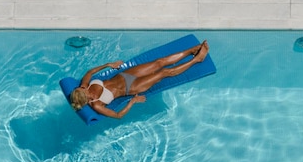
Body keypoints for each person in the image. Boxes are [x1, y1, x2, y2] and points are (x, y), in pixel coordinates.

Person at [70, 40, 209, 119]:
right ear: (87, 99)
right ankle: (197, 59)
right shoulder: (97, 105)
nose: (83, 87)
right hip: (132, 87)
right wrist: (133, 101)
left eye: (82, 87)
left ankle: (192, 50)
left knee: (159, 62)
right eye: (83, 90)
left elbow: (90, 71)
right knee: (164, 72)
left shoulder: (84, 87)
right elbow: (118, 115)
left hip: (124, 75)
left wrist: (108, 65)